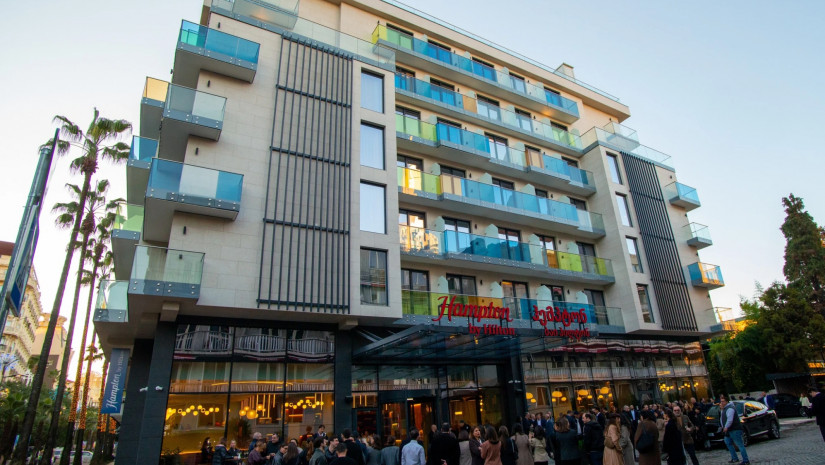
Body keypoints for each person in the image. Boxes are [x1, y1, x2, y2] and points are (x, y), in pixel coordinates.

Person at [720, 395, 749, 465]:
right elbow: (722, 419)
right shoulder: (724, 409)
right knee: (727, 442)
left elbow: (730, 420)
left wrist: (726, 427)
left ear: (726, 401)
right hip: (729, 430)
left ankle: (745, 460)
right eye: (721, 402)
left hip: (734, 429)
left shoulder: (730, 408)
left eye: (723, 401)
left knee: (739, 444)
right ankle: (734, 458)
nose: (721, 403)